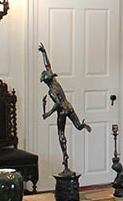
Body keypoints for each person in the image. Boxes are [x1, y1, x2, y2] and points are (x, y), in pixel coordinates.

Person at [39, 43, 91, 174]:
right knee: (77, 126)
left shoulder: (51, 91)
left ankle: (65, 155)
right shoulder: (56, 82)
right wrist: (44, 52)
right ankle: (82, 125)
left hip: (62, 111)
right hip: (69, 106)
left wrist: (48, 114)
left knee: (61, 134)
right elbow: (48, 65)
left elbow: (57, 104)